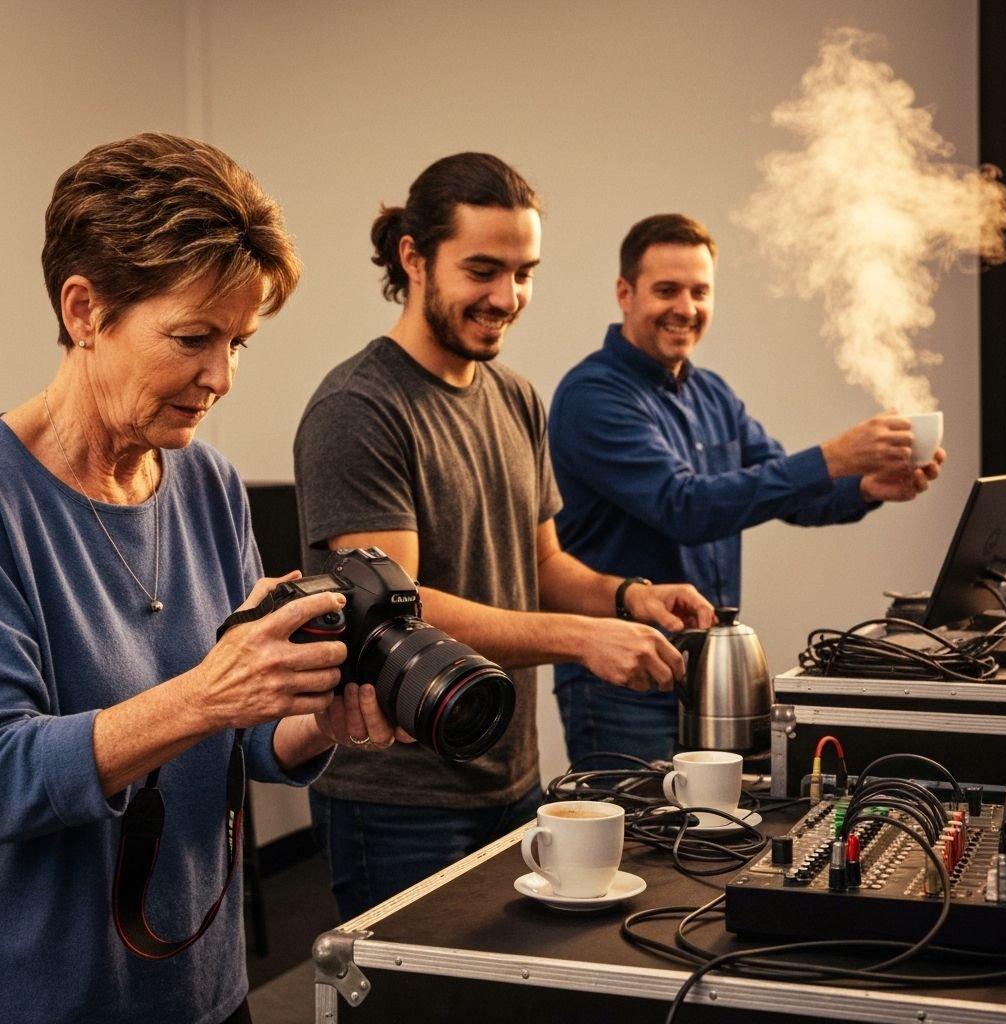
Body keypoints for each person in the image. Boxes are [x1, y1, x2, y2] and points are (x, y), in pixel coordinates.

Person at [0, 132, 404, 1024]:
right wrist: (209, 696)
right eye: (192, 338)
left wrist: (308, 720)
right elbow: (7, 772)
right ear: (83, 309)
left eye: (240, 343)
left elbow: (245, 738)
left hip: (202, 987)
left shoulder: (208, 484)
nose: (220, 377)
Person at [293, 154, 714, 920]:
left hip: (510, 773)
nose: (507, 297)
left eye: (524, 272)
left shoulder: (515, 396)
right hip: (401, 795)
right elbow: (398, 613)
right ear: (413, 258)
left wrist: (628, 597)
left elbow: (543, 563)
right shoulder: (359, 408)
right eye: (483, 270)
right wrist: (583, 640)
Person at [548, 212, 945, 766]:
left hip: (708, 671)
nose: (685, 308)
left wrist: (866, 486)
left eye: (699, 291)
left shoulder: (712, 392)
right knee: (635, 841)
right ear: (625, 292)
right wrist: (832, 456)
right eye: (666, 290)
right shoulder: (593, 396)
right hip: (623, 680)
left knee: (709, 838)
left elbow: (785, 490)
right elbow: (684, 507)